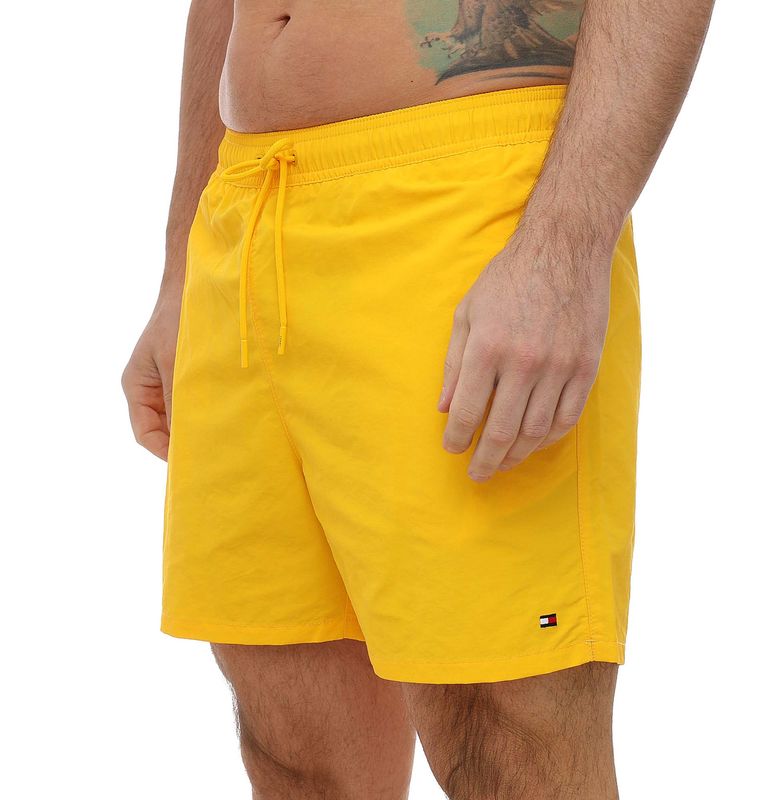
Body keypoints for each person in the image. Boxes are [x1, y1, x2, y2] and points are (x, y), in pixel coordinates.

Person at [122, 1, 714, 797]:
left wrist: (563, 253)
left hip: (465, 193)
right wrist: (182, 270)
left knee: (507, 738)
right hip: (248, 205)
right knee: (291, 735)